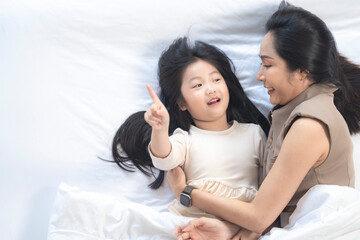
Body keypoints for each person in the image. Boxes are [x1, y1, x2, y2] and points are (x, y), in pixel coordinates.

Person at [170, 1, 360, 239]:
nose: (259, 75)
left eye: (267, 64)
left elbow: (259, 216)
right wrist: (232, 228)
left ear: (302, 71)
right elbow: (270, 209)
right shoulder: (292, 112)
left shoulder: (308, 126)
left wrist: (185, 191)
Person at [112, 37, 270, 221]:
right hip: (192, 221)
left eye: (216, 79)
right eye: (198, 85)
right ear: (181, 103)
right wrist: (160, 129)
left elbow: (270, 186)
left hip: (244, 219)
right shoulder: (185, 139)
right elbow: (164, 159)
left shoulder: (253, 133)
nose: (210, 89)